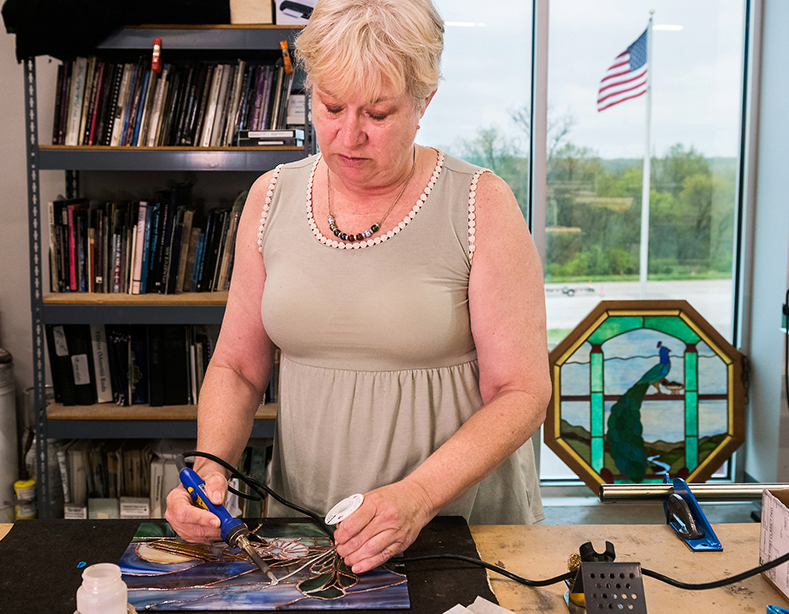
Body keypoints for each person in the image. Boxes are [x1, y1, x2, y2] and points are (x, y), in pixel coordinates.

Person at [165, 0, 551, 575]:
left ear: (424, 103)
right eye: (331, 106)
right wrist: (210, 467)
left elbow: (521, 391)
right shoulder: (270, 198)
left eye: (378, 112)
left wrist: (417, 497)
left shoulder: (481, 204)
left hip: (458, 529)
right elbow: (238, 367)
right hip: (308, 529)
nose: (349, 135)